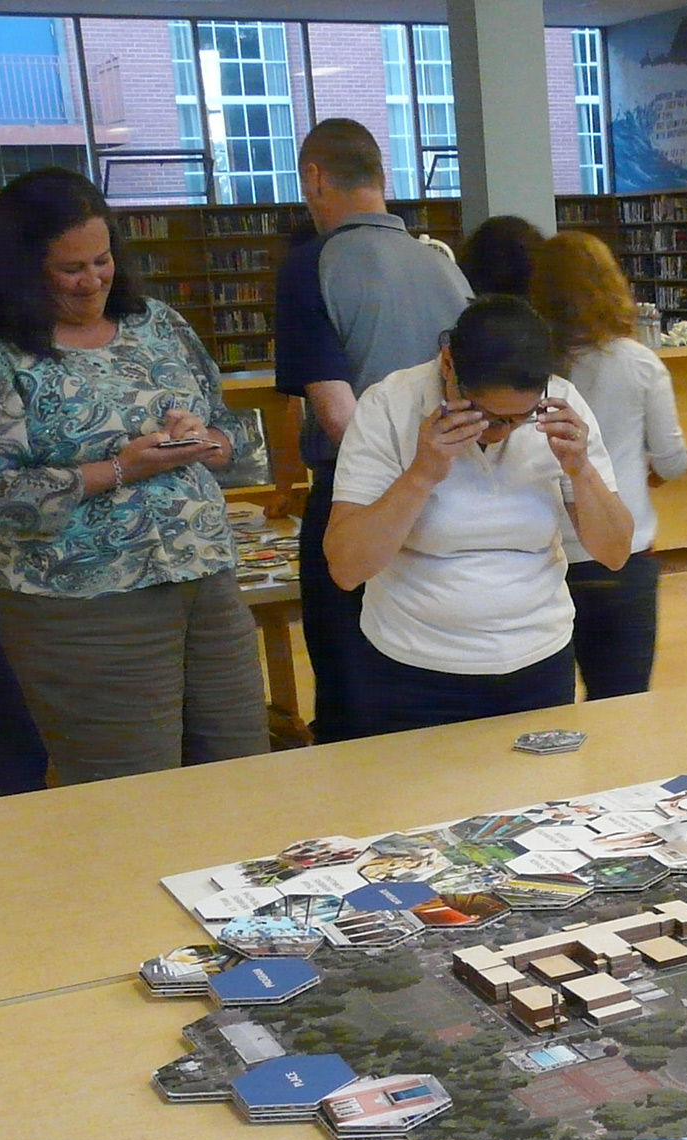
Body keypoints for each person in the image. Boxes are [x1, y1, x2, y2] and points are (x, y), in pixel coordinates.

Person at [0, 168, 267, 784]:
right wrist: (121, 468)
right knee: (136, 795)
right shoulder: (8, 353)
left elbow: (238, 433)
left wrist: (209, 440)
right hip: (86, 607)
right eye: (71, 268)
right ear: (20, 267)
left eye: (102, 259)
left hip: (206, 583)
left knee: (243, 778)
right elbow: (5, 497)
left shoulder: (157, 324)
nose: (93, 279)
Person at [324, 295, 632, 737]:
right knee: (418, 803)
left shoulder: (562, 404)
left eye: (518, 419)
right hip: (413, 667)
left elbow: (616, 551)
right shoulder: (389, 405)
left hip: (538, 658)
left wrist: (581, 469)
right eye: (484, 415)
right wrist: (421, 475)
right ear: (447, 365)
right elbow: (346, 567)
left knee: (538, 800)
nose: (497, 432)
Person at [274, 118, 471, 742]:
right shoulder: (444, 266)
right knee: (427, 666)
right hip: (450, 492)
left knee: (349, 685)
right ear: (382, 177)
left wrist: (390, 492)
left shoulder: (310, 266)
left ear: (313, 177)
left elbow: (336, 413)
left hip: (358, 498)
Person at [528, 229, 687, 699]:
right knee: (623, 704)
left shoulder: (528, 369)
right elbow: (673, 460)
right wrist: (646, 472)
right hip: (625, 550)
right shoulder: (638, 363)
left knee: (548, 705)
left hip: (545, 553)